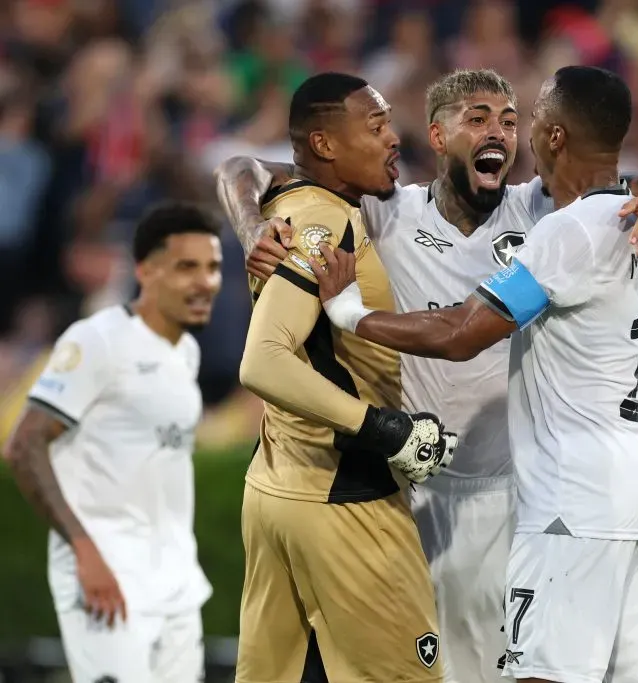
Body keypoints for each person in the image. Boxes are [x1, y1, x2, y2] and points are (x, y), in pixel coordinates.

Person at [216, 67, 638, 683]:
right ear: (437, 137)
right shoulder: (389, 214)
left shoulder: (544, 211)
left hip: (519, 493)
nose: (498, 132)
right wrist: (251, 225)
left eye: (511, 120)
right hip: (417, 490)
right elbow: (241, 169)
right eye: (477, 118)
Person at [233, 72, 457, 682]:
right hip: (345, 495)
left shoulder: (285, 206)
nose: (393, 138)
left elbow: (242, 165)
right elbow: (264, 360)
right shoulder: (323, 223)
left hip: (277, 485)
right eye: (377, 125)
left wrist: (248, 220)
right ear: (326, 144)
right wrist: (384, 428)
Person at [3, 202, 222, 683]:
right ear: (145, 270)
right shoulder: (97, 340)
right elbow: (23, 445)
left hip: (178, 584)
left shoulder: (186, 352)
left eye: (212, 267)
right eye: (187, 267)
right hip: (108, 579)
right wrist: (84, 549)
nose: (205, 282)